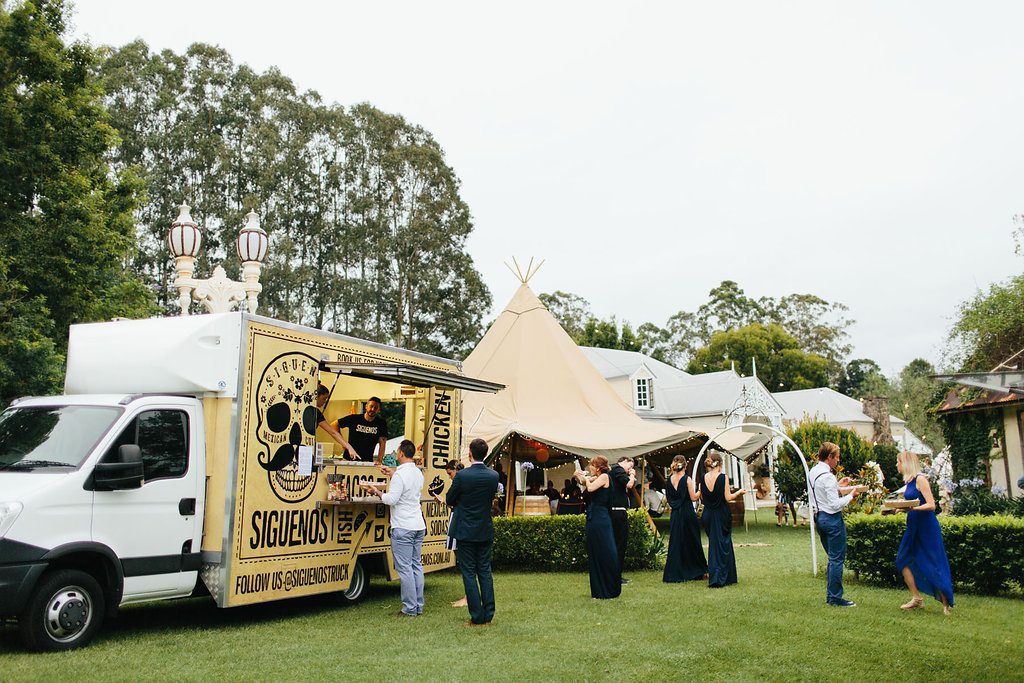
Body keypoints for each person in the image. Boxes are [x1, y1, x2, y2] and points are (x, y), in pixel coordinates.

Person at [362, 440, 424, 616]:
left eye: (397, 452)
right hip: (418, 524)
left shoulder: (399, 476)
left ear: (401, 453)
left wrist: (377, 492)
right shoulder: (418, 473)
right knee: (416, 566)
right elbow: (405, 486)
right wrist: (392, 473)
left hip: (403, 526)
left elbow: (391, 500)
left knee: (404, 569)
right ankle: (418, 605)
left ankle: (410, 608)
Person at [446, 438, 500, 626]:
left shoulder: (462, 476)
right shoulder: (494, 476)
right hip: (484, 528)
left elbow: (450, 499)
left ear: (470, 453)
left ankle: (477, 616)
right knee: (485, 570)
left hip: (465, 530)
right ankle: (489, 613)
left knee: (469, 572)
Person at [895, 450, 954, 615]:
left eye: (898, 462)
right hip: (913, 527)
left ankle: (945, 603)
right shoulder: (909, 481)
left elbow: (931, 505)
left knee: (934, 562)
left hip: (927, 528)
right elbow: (910, 504)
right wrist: (897, 509)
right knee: (902, 560)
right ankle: (916, 598)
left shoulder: (921, 479)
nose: (896, 465)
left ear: (905, 463)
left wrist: (913, 507)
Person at [808, 441, 862, 607]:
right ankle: (835, 598)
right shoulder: (828, 477)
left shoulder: (813, 472)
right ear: (829, 457)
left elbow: (822, 493)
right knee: (837, 559)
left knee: (833, 559)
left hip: (819, 518)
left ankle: (832, 596)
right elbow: (834, 504)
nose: (838, 460)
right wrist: (851, 495)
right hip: (832, 519)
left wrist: (839, 486)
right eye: (837, 457)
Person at [574, 456, 621, 599]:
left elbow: (589, 487)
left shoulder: (605, 477)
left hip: (601, 518)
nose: (590, 468)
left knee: (606, 550)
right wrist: (577, 475)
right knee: (595, 551)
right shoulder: (597, 477)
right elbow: (583, 481)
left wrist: (586, 478)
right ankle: (599, 589)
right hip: (593, 516)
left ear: (598, 467)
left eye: (591, 466)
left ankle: (610, 587)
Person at [700, 450, 745, 588]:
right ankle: (720, 577)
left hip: (707, 515)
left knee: (714, 544)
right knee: (723, 545)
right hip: (720, 514)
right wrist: (739, 492)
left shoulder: (703, 477)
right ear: (719, 464)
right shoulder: (723, 477)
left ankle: (721, 576)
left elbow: (702, 497)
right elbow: (728, 497)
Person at [663, 455, 707, 583]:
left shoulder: (669, 480)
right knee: (692, 541)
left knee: (676, 542)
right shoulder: (687, 479)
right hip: (687, 513)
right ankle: (696, 570)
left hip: (675, 514)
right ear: (685, 466)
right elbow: (693, 498)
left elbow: (669, 499)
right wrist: (700, 490)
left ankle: (675, 572)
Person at [431, 460, 468, 609]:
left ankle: (468, 597)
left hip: (459, 520)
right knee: (463, 560)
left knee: (464, 560)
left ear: (455, 470)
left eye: (450, 473)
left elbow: (455, 501)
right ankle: (468, 595)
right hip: (459, 518)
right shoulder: (464, 482)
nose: (449, 477)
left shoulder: (460, 482)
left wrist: (445, 500)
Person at [334, 396, 388, 464]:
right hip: (349, 459)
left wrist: (379, 460)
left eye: (376, 407)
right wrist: (344, 444)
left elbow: (382, 443)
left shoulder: (381, 423)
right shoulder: (354, 418)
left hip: (367, 461)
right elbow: (334, 424)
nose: (372, 409)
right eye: (371, 406)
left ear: (379, 410)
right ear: (366, 406)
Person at [608, 456, 636, 584]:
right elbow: (629, 485)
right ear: (624, 461)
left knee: (617, 544)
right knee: (620, 544)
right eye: (629, 466)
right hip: (618, 512)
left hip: (615, 511)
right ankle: (616, 576)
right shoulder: (618, 469)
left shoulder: (612, 470)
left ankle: (615, 574)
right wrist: (632, 476)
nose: (629, 470)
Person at [314, 385, 359, 460]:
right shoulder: (314, 412)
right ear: (316, 396)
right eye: (324, 398)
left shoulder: (316, 413)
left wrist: (348, 447)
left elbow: (333, 432)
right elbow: (333, 432)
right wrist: (348, 446)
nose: (325, 402)